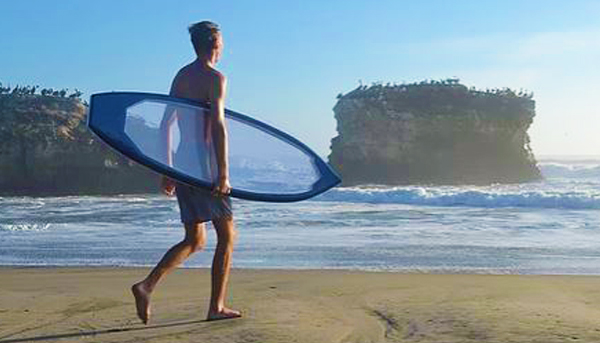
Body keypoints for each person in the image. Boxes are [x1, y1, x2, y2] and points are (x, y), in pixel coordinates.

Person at [131, 21, 241, 324]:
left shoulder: (182, 76)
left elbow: (166, 124)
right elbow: (218, 125)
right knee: (227, 236)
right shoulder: (215, 78)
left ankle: (146, 286)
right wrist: (223, 174)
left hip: (182, 161)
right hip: (204, 162)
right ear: (215, 43)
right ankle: (216, 307)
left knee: (195, 240)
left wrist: (166, 167)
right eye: (222, 40)